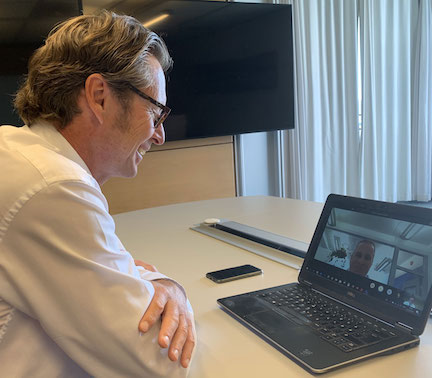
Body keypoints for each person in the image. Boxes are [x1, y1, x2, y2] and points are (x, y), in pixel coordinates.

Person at [0, 11, 195, 377]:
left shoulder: (15, 150)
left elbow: (118, 268)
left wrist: (145, 280)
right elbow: (157, 360)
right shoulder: (53, 187)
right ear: (99, 96)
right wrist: (168, 286)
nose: (159, 135)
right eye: (155, 112)